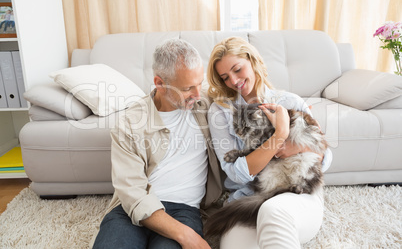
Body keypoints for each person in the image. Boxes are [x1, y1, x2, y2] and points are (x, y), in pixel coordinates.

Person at [93, 39, 224, 249]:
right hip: (130, 210)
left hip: (184, 210)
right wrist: (187, 236)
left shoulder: (208, 105)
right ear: (160, 83)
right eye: (188, 88)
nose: (198, 95)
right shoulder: (129, 123)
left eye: (200, 83)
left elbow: (256, 94)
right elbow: (133, 194)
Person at [206, 36, 333, 248]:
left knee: (272, 211)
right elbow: (236, 172)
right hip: (249, 195)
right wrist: (280, 135)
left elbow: (325, 157)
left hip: (299, 193)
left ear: (252, 61)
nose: (234, 81)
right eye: (225, 77)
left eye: (237, 69)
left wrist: (297, 146)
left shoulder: (289, 101)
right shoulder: (221, 112)